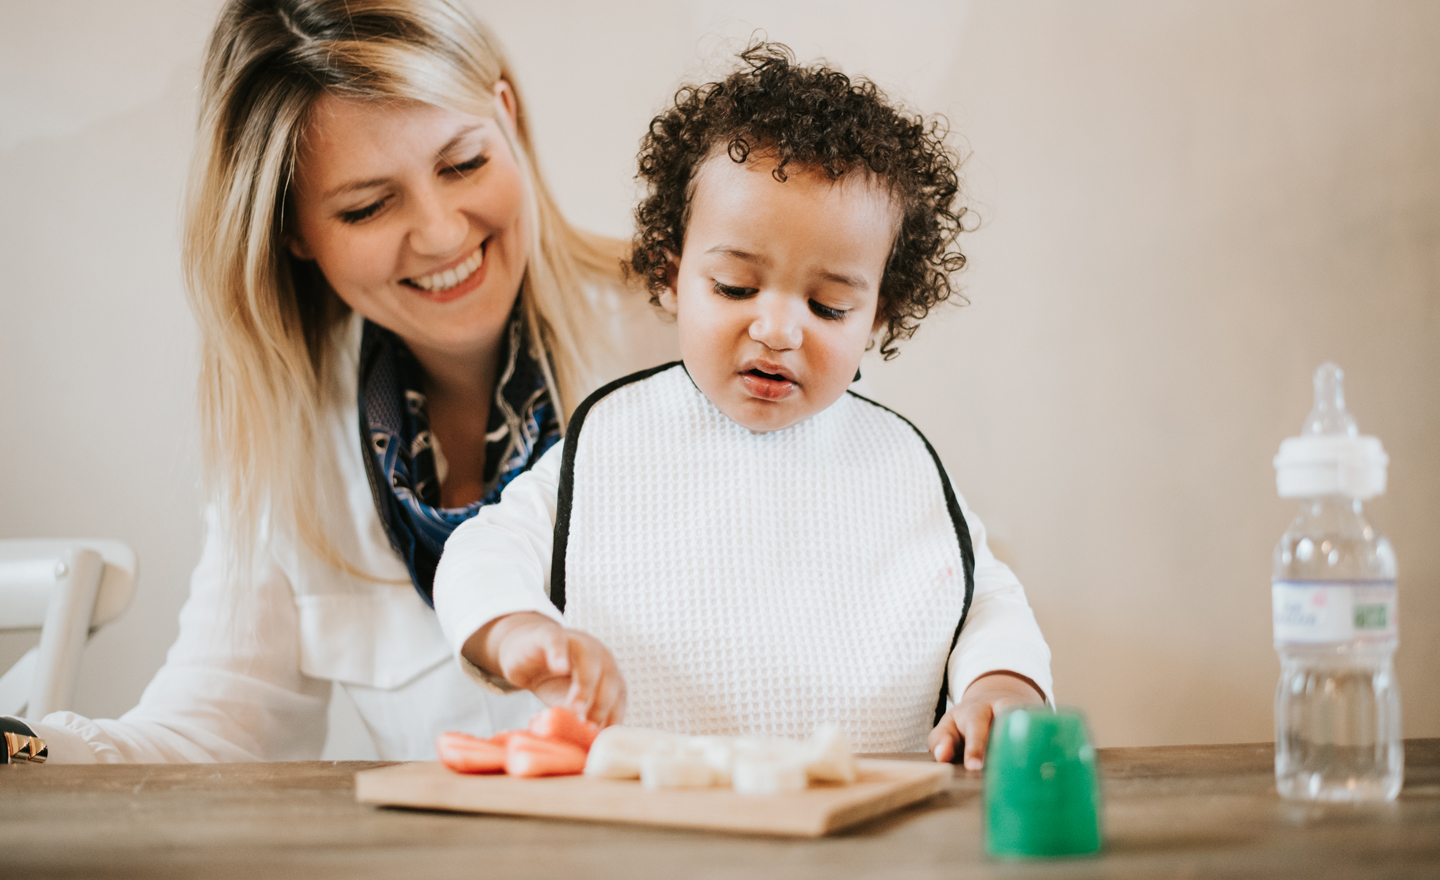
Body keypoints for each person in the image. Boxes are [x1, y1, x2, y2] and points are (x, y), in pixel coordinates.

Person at [2, 0, 673, 764]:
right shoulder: (290, 428)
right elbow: (214, 728)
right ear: (291, 230)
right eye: (367, 206)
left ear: (506, 116)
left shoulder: (687, 334)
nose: (444, 231)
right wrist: (30, 749)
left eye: (463, 163)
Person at [433, 45, 1052, 768]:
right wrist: (515, 630)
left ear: (877, 319)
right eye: (734, 287)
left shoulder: (900, 464)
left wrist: (1000, 684)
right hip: (650, 816)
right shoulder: (614, 440)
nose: (780, 330)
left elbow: (985, 598)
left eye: (829, 305)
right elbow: (482, 549)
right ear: (670, 278)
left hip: (871, 820)